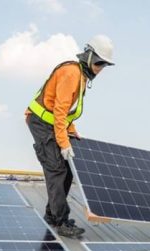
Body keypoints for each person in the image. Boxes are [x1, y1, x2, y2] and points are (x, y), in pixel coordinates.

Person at [25, 35, 115, 238]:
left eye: (104, 65)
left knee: (68, 169)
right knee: (56, 168)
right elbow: (59, 110)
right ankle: (61, 221)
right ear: (89, 56)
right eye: (99, 63)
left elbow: (67, 111)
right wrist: (64, 142)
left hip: (52, 123)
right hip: (41, 122)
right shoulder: (71, 73)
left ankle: (52, 213)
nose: (100, 68)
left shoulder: (81, 77)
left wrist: (71, 129)